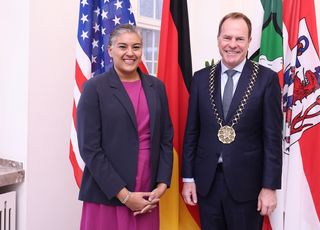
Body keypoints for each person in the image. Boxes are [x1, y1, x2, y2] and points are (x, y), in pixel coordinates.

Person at [181, 12, 282, 230]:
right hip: (207, 183)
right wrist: (188, 178)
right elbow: (192, 132)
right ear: (218, 39)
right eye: (227, 38)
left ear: (249, 41)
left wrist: (269, 187)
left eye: (239, 39)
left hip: (248, 186)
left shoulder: (267, 80)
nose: (232, 45)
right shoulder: (200, 78)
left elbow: (272, 139)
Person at [76, 24, 173, 230]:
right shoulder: (94, 88)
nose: (130, 53)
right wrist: (125, 196)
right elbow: (89, 149)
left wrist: (163, 184)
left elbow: (165, 138)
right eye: (123, 47)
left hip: (147, 191)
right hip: (108, 191)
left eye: (136, 47)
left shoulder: (157, 87)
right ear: (110, 50)